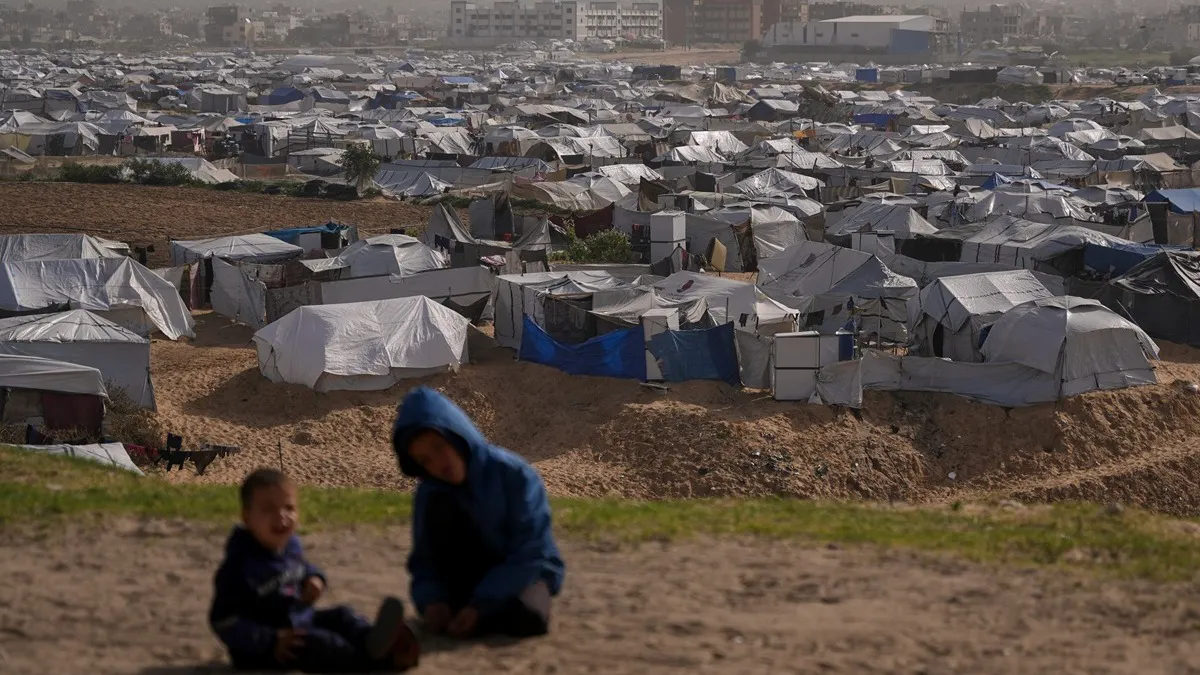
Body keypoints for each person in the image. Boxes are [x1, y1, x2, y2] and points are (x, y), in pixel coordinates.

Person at [392, 386, 564, 639]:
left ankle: (479, 613)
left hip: (525, 574)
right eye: (425, 460)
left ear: (456, 435)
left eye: (439, 447)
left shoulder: (515, 474)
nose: (438, 464)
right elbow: (424, 559)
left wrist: (481, 605)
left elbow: (532, 551)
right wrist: (432, 600)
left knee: (528, 618)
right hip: (470, 580)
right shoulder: (430, 493)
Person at [209, 468, 420, 673]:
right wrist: (270, 640)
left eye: (289, 508)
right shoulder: (239, 566)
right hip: (268, 648)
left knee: (342, 616)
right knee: (323, 644)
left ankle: (372, 640)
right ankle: (381, 661)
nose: (281, 516)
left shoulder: (290, 546)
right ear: (247, 517)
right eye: (268, 509)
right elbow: (223, 620)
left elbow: (303, 568)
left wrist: (314, 578)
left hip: (297, 620)